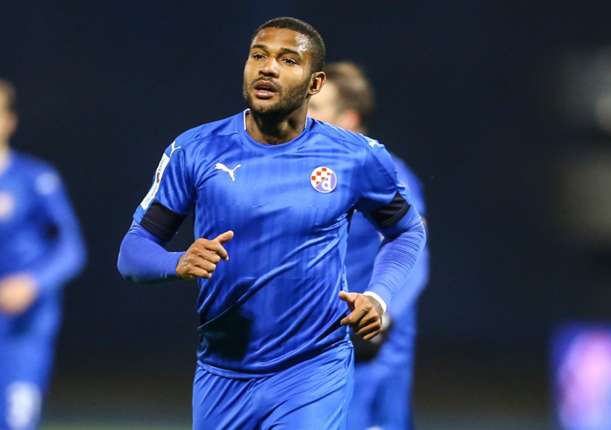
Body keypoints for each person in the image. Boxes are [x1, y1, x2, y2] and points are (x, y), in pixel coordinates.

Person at [117, 17, 427, 430]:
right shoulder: (195, 150)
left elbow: (407, 231)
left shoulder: (356, 156)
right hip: (222, 373)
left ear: (315, 83)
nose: (268, 68)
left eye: (288, 60)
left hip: (314, 369)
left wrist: (379, 296)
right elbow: (132, 251)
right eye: (258, 56)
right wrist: (177, 262)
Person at [309, 62, 429, 430]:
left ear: (348, 118)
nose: (303, 116)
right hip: (317, 344)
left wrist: (382, 310)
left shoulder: (387, 175)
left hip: (370, 346)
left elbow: (413, 252)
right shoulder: (305, 174)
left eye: (315, 108)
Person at [0, 80, 86, 430]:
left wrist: (32, 283)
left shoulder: (35, 179)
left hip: (22, 330)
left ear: (10, 121)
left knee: (15, 421)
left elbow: (71, 248)